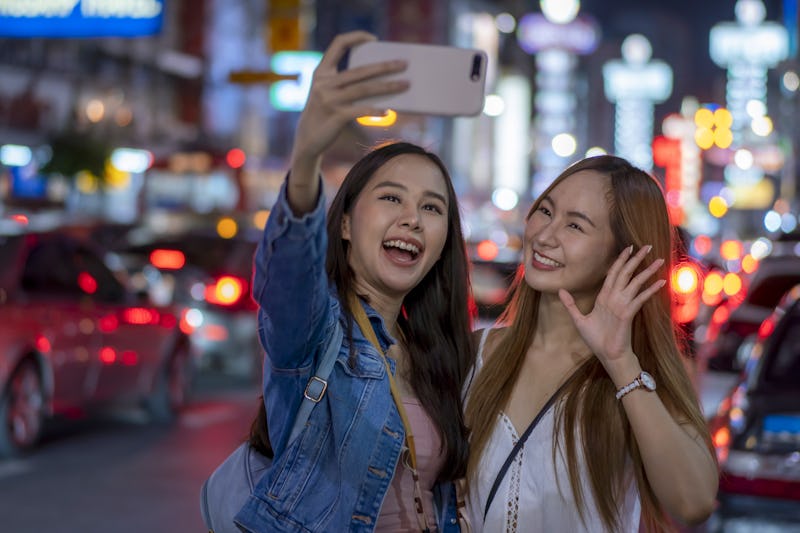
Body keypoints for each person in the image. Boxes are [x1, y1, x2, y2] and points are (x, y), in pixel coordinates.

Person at [234, 31, 475, 532]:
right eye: (391, 198)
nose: (412, 218)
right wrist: (305, 161)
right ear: (345, 223)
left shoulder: (442, 355)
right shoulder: (317, 330)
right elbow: (287, 277)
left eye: (431, 208)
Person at [464, 155, 718, 532]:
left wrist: (620, 362)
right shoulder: (476, 353)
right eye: (545, 211)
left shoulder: (640, 374)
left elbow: (693, 502)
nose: (545, 235)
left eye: (575, 226)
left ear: (623, 257)